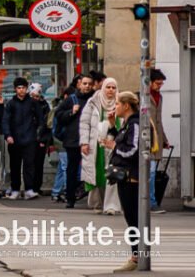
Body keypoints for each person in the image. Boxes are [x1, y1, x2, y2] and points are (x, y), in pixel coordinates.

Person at [105, 91, 140, 273]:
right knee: (131, 217)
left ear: (126, 105)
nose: (115, 106)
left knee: (133, 217)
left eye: (118, 103)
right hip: (125, 176)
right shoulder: (127, 124)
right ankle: (137, 255)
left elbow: (132, 150)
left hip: (130, 177)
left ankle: (137, 256)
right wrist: (112, 126)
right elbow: (121, 140)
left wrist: (115, 147)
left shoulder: (134, 123)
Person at [81, 76, 120, 214]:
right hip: (95, 143)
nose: (110, 90)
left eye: (113, 87)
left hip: (112, 143)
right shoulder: (93, 102)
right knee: (96, 173)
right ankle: (96, 203)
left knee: (112, 173)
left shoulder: (119, 102)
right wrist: (84, 142)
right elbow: (84, 123)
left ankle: (111, 205)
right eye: (108, 87)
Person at [55, 73, 93, 208]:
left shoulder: (94, 99)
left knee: (91, 168)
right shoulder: (71, 99)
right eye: (85, 83)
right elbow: (58, 115)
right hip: (73, 140)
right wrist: (71, 112)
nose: (87, 86)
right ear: (79, 84)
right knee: (72, 169)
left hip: (90, 139)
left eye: (89, 84)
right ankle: (70, 197)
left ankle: (92, 196)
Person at [2, 77, 42, 200]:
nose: (21, 90)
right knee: (15, 165)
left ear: (26, 88)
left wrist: (38, 135)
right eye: (19, 88)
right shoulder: (11, 103)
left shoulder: (33, 103)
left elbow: (41, 119)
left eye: (23, 88)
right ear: (15, 89)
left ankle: (29, 189)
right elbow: (5, 121)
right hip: (14, 139)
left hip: (30, 139)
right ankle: (15, 189)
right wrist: (8, 135)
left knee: (29, 165)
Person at [149, 68, 169, 214]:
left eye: (161, 84)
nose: (159, 86)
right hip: (146, 140)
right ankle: (151, 202)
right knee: (150, 173)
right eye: (157, 83)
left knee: (152, 172)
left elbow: (159, 120)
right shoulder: (143, 97)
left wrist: (164, 139)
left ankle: (151, 200)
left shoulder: (159, 97)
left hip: (156, 139)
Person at [30, 83, 52, 195]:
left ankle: (36, 186)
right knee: (30, 164)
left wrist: (44, 139)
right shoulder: (28, 105)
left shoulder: (44, 105)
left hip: (40, 138)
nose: (35, 99)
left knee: (38, 164)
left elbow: (47, 123)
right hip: (29, 138)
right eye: (33, 96)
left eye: (37, 97)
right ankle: (30, 186)